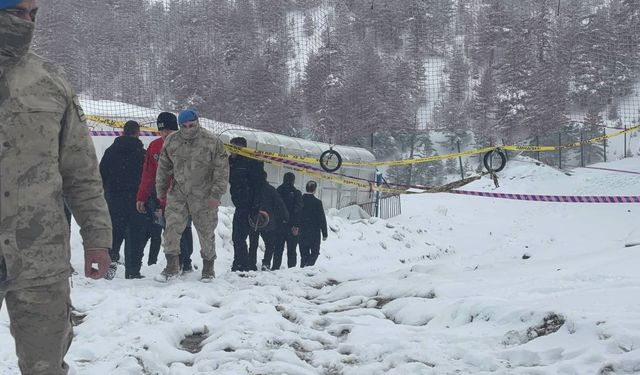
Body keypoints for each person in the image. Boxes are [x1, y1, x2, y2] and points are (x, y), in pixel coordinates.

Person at [0, 1, 113, 373]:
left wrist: (97, 236)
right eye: (17, 11)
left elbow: (79, 170)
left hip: (39, 255)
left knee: (45, 364)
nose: (27, 21)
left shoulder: (50, 80)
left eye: (34, 13)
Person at [155, 109, 229, 282]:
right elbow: (163, 167)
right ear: (180, 126)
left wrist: (216, 194)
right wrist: (161, 190)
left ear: (198, 122)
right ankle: (171, 266)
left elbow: (222, 170)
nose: (189, 129)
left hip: (204, 194)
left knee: (206, 231)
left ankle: (208, 268)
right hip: (178, 192)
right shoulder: (172, 141)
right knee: (172, 229)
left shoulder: (212, 142)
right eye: (185, 126)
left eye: (192, 125)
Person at [136, 112, 194, 270]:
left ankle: (184, 262)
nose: (165, 134)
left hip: (183, 197)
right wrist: (142, 196)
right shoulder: (154, 147)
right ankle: (179, 263)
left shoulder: (187, 146)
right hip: (162, 198)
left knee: (182, 229)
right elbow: (148, 174)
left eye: (169, 130)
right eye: (162, 131)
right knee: (170, 230)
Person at [99, 121, 147, 279]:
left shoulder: (110, 152)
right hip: (136, 200)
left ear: (122, 132)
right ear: (138, 132)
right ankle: (133, 271)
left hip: (113, 198)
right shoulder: (142, 154)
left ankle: (110, 263)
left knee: (114, 233)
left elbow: (101, 175)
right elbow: (148, 178)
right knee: (135, 236)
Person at [228, 136, 264, 271]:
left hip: (249, 205)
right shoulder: (231, 162)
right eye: (231, 148)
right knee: (238, 236)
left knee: (241, 236)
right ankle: (242, 263)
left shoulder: (251, 163)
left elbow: (259, 184)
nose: (232, 151)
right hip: (239, 204)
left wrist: (256, 205)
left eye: (235, 148)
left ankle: (242, 265)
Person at [253, 172, 289, 271]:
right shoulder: (271, 190)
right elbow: (280, 204)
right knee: (270, 244)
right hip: (268, 221)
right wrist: (285, 217)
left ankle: (251, 263)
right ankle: (266, 263)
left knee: (253, 243)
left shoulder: (253, 189)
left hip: (253, 220)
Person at [274, 172, 303, 269]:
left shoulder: (277, 191)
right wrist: (296, 225)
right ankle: (292, 269)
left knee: (278, 249)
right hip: (292, 226)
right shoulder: (296, 193)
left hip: (279, 225)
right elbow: (298, 211)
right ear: (293, 181)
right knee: (292, 250)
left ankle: (275, 268)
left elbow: (274, 209)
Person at [299, 181, 328, 267]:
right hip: (314, 233)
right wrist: (324, 233)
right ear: (315, 190)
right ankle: (308, 267)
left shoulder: (300, 200)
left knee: (304, 254)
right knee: (315, 252)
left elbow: (296, 214)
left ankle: (303, 269)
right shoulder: (317, 202)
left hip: (302, 231)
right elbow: (322, 218)